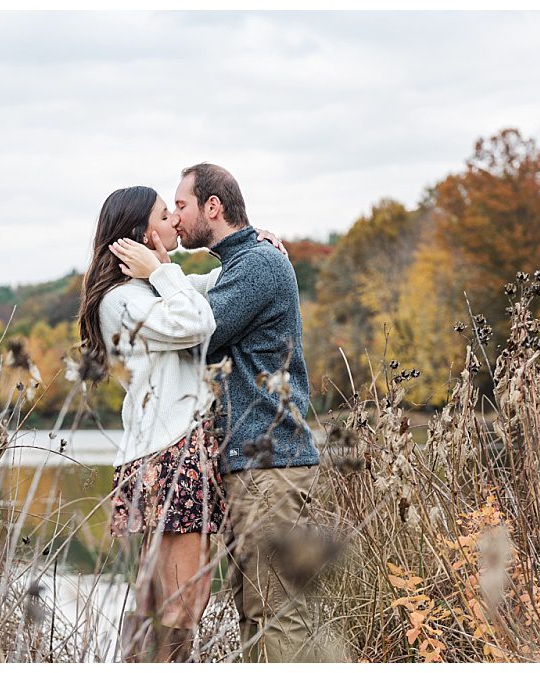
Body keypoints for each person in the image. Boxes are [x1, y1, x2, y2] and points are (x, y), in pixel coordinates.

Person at [79, 186, 287, 662]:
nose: (175, 219)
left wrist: (257, 248)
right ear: (141, 233)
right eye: (163, 213)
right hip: (167, 454)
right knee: (183, 602)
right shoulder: (123, 299)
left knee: (166, 600)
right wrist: (164, 271)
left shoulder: (151, 288)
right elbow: (199, 324)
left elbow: (214, 286)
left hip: (172, 452)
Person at [171, 163, 325, 662]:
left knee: (277, 614)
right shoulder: (244, 262)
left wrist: (156, 273)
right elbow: (202, 313)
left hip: (271, 463)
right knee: (254, 611)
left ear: (212, 207)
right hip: (254, 465)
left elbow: (203, 334)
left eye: (181, 205)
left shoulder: (258, 264)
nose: (175, 217)